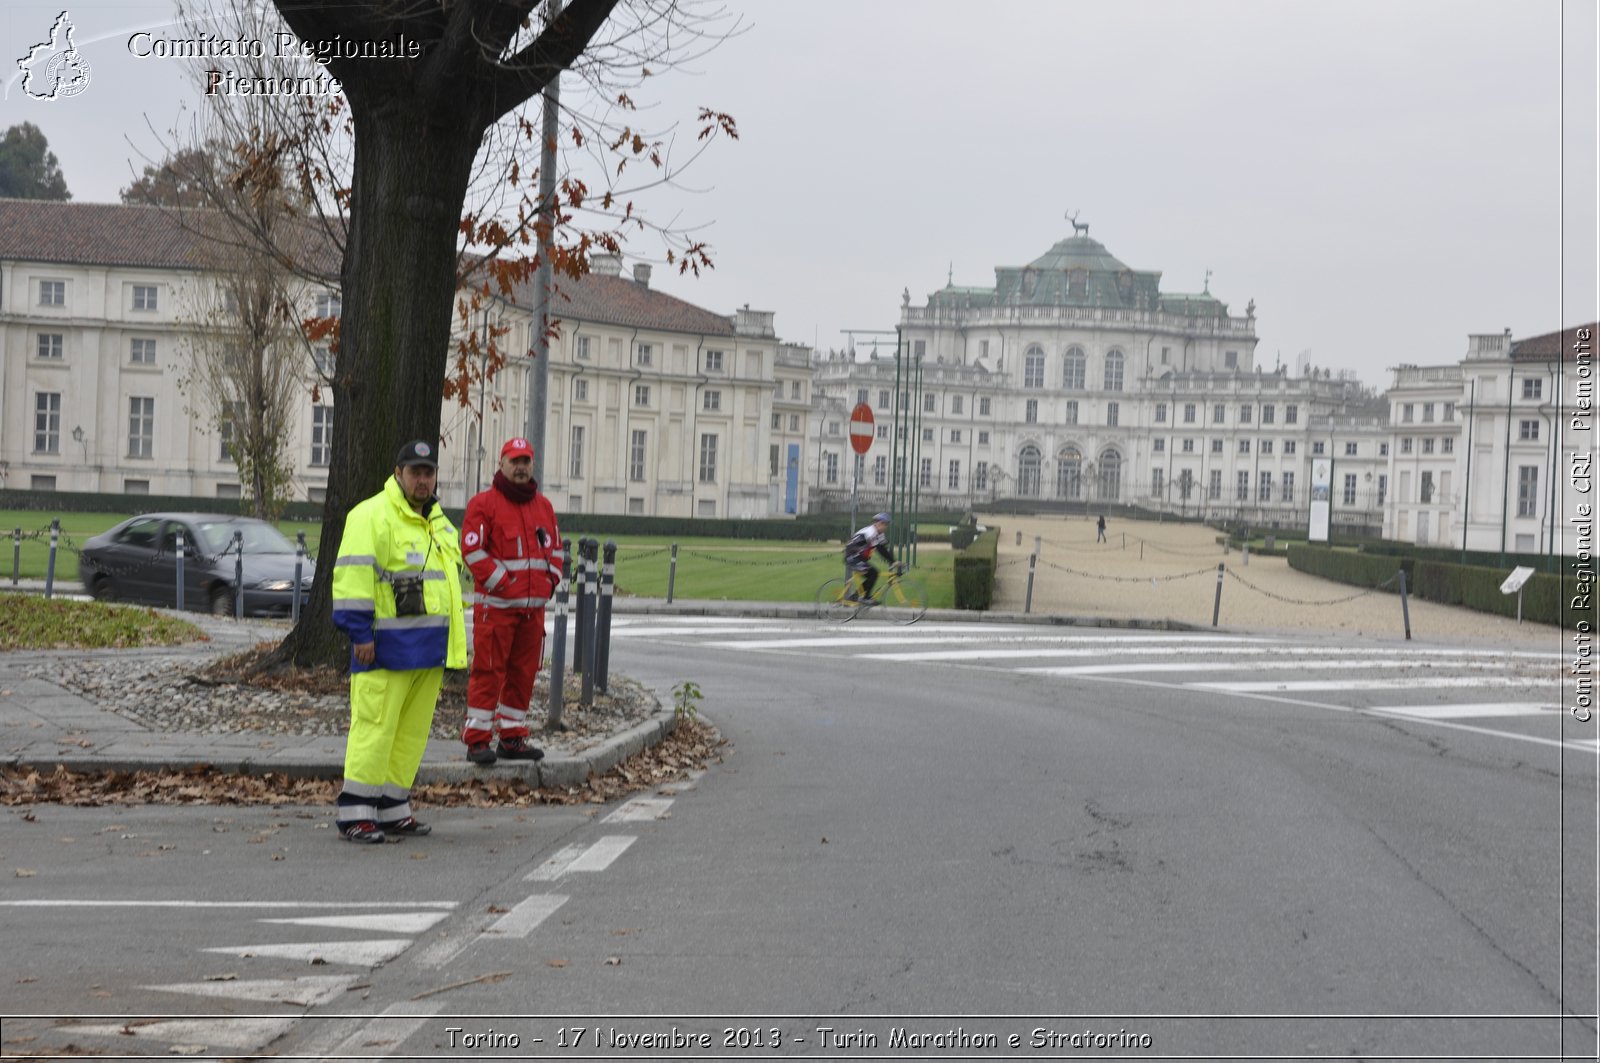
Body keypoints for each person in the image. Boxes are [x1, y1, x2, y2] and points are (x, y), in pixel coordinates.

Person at [330, 440, 467, 844]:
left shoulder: (438, 522)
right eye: (415, 472)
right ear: (398, 473)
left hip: (427, 651)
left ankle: (391, 806)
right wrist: (359, 633)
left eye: (428, 472)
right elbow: (352, 579)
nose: (422, 480)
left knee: (409, 735)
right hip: (383, 650)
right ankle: (356, 812)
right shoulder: (371, 515)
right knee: (374, 730)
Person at [459, 436, 563, 765]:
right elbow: (473, 551)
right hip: (497, 610)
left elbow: (557, 550)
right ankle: (477, 739)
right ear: (501, 464)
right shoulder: (483, 504)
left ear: (533, 465)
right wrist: (504, 584)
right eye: (514, 461)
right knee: (488, 672)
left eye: (525, 462)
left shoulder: (544, 507)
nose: (520, 468)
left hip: (533, 612)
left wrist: (551, 581)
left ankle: (512, 736)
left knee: (523, 673)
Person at [844, 512, 897, 604]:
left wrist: (894, 561)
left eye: (886, 524)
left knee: (872, 574)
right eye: (882, 523)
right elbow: (879, 549)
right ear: (876, 523)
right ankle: (865, 598)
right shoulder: (871, 532)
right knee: (873, 573)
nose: (884, 526)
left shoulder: (879, 534)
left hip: (859, 558)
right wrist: (893, 561)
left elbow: (884, 548)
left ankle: (855, 596)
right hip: (853, 557)